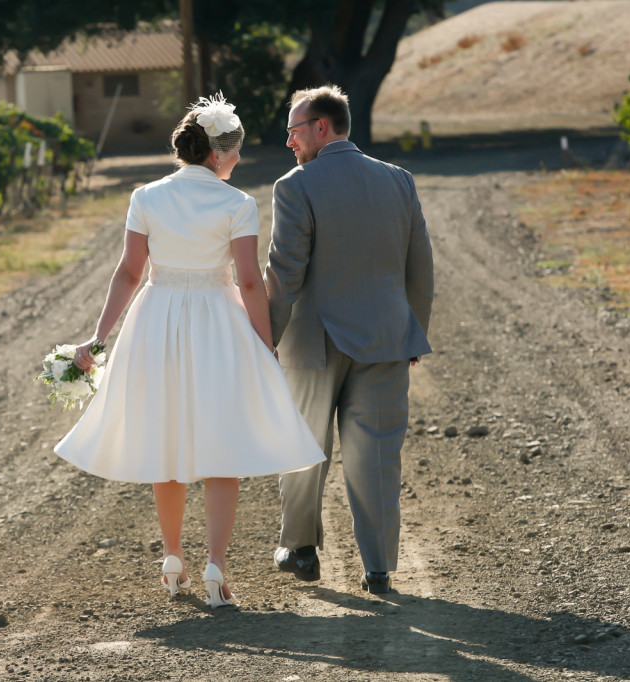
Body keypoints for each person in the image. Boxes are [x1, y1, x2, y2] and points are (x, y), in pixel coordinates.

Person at [53, 94, 324, 608]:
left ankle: (173, 555)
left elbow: (130, 272)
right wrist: (264, 348)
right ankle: (216, 567)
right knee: (219, 450)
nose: (239, 161)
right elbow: (248, 281)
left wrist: (99, 337)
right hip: (216, 325)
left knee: (167, 442)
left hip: (156, 323)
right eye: (237, 152)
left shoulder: (146, 196)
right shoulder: (238, 204)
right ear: (220, 154)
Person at [265, 85, 434, 595]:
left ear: (322, 127)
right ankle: (379, 567)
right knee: (377, 454)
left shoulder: (295, 186)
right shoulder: (399, 180)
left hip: (313, 343)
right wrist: (412, 334)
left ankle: (299, 550)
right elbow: (420, 267)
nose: (290, 142)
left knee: (303, 445)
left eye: (294, 131)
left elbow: (284, 276)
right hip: (385, 339)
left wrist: (262, 339)